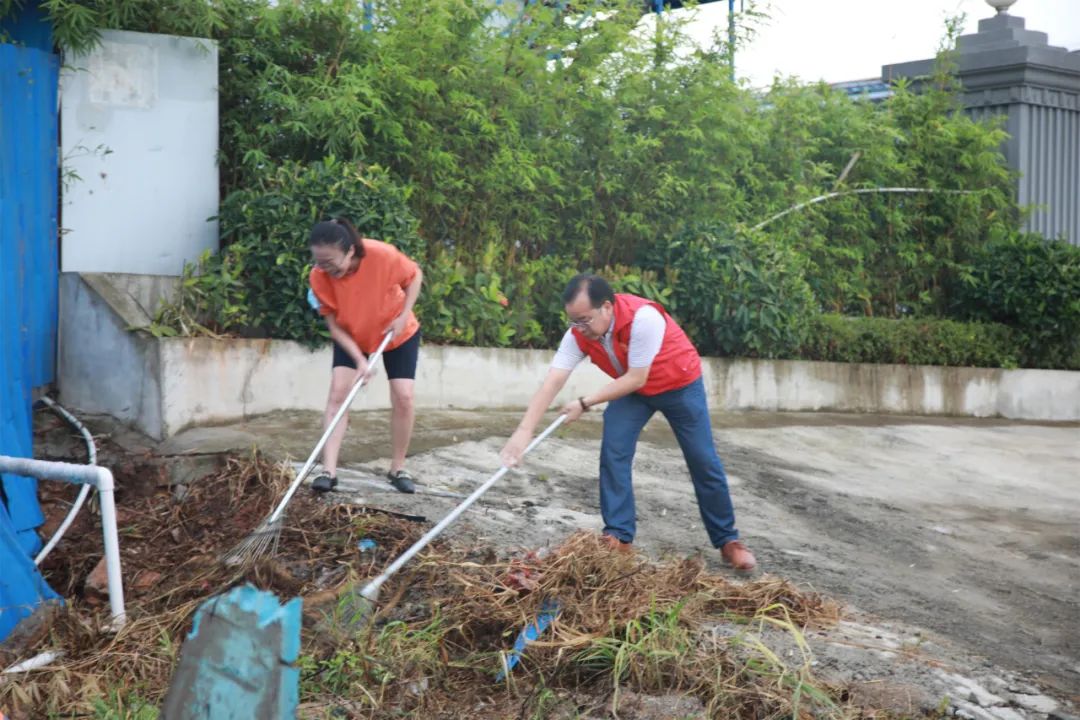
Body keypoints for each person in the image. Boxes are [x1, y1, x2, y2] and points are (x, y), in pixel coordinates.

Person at [500, 274, 756, 570]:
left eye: (584, 320)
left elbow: (637, 376)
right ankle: (618, 536)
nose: (578, 328)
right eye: (573, 321)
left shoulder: (644, 318)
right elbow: (552, 381)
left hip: (679, 385)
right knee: (614, 452)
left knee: (703, 459)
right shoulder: (579, 334)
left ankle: (728, 540)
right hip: (633, 392)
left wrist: (584, 403)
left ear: (607, 307)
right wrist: (523, 432)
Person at [307, 218, 423, 494]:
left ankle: (398, 468)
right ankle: (328, 471)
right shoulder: (319, 276)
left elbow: (414, 276)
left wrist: (403, 315)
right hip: (352, 335)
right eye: (319, 262)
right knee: (338, 392)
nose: (325, 269)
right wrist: (359, 361)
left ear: (350, 251)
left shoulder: (381, 255)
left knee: (404, 395)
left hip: (396, 332)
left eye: (331, 262)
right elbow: (333, 325)